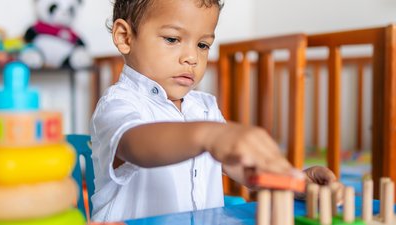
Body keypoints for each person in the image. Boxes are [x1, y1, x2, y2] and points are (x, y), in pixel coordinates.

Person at [90, 0, 342, 222]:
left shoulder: (204, 107)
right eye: (172, 39)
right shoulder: (118, 102)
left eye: (202, 44)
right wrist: (209, 136)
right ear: (125, 37)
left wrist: (295, 182)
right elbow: (137, 145)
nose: (192, 57)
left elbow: (239, 167)